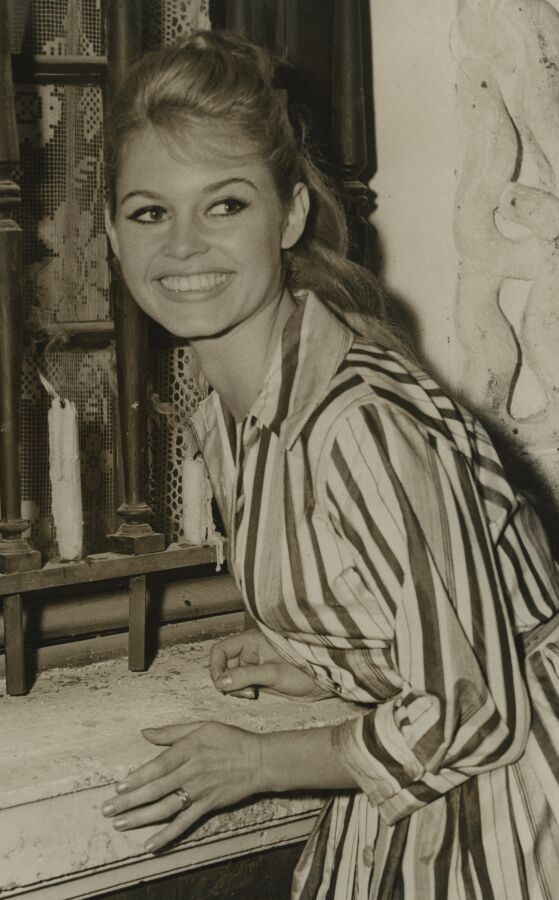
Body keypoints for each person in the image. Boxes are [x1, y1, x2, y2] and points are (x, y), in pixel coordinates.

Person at [101, 30, 559, 899]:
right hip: (432, 796)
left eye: (224, 205)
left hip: (520, 806)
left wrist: (257, 762)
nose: (183, 245)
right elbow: (428, 617)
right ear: (114, 238)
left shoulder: (359, 420)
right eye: (150, 212)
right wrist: (330, 658)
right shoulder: (235, 413)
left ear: (291, 216)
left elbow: (477, 712)